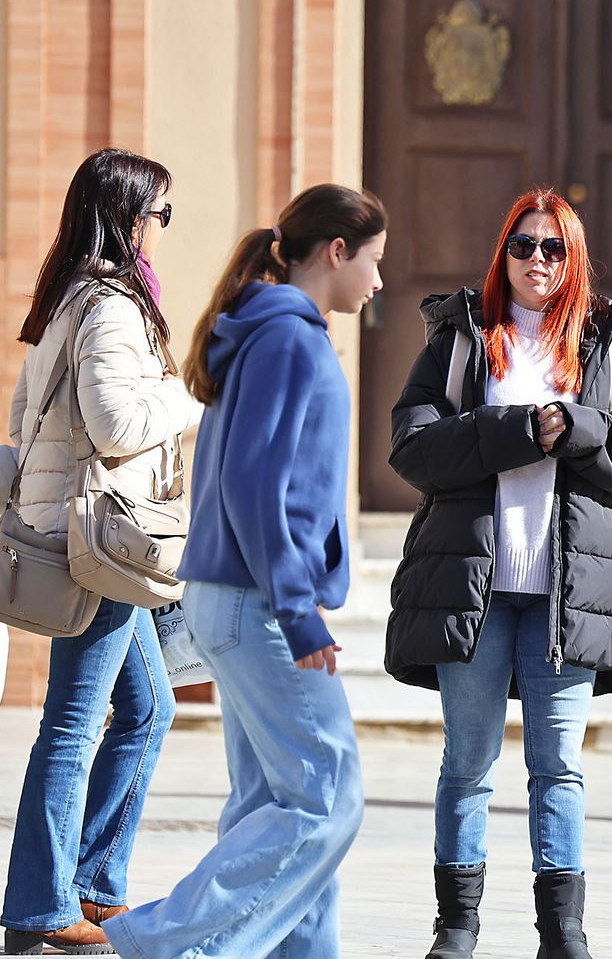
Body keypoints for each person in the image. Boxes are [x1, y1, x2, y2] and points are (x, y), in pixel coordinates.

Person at [100, 184, 386, 959]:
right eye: (374, 261)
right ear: (335, 252)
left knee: (273, 800)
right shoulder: (290, 338)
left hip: (236, 596)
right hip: (261, 601)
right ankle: (164, 941)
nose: (379, 282)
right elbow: (257, 485)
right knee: (328, 796)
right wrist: (298, 610)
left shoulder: (272, 331)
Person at [385, 188, 612, 959]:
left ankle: (561, 931)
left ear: (574, 260)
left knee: (559, 766)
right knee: (467, 764)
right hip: (473, 588)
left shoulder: (604, 351)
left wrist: (575, 427)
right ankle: (458, 926)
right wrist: (513, 431)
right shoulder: (461, 340)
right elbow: (412, 446)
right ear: (502, 252)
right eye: (523, 245)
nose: (537, 260)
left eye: (554, 248)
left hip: (566, 596)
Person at [0, 149, 201, 955]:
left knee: (148, 708)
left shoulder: (65, 298)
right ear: (127, 216)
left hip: (86, 531)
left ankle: (91, 880)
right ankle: (40, 903)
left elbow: (22, 419)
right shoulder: (113, 304)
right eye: (162, 213)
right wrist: (189, 394)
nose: (164, 229)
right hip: (105, 542)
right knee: (74, 722)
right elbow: (116, 424)